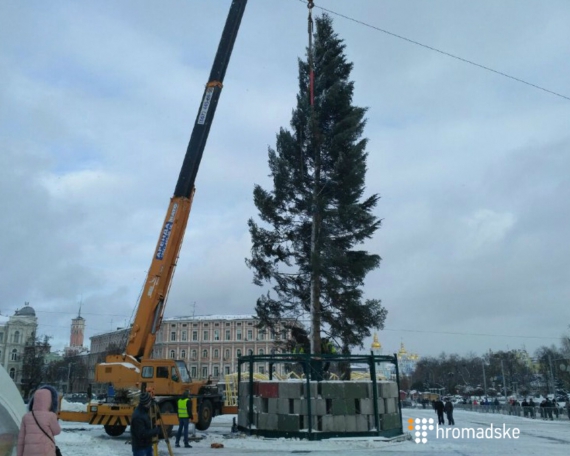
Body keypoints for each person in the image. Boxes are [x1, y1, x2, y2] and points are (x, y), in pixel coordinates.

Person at [18, 387, 61, 456]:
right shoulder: (51, 416)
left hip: (28, 452)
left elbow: (21, 440)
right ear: (50, 401)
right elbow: (57, 431)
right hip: (46, 452)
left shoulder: (26, 417)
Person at [130, 392, 162, 456]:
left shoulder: (144, 411)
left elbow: (146, 425)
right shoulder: (138, 416)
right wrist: (155, 431)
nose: (150, 404)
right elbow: (142, 434)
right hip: (140, 447)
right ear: (146, 403)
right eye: (149, 402)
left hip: (146, 445)